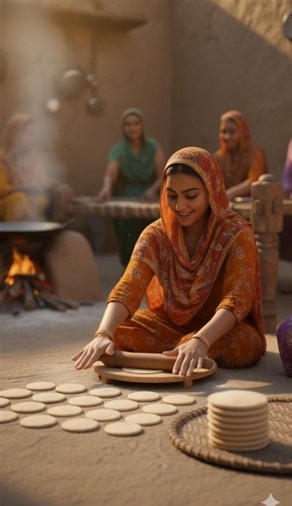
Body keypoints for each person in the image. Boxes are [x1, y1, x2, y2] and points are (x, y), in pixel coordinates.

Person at [73, 146, 266, 376]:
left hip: (220, 331)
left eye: (191, 196)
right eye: (172, 196)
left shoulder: (236, 232)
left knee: (245, 343)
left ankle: (186, 350)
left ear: (211, 191)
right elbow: (129, 285)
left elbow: (237, 299)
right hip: (170, 326)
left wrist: (202, 340)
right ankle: (182, 352)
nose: (180, 206)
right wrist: (103, 334)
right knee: (116, 330)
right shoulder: (156, 234)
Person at [97, 107, 165, 267]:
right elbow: (111, 172)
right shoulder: (119, 150)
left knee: (154, 230)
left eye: (136, 123)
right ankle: (129, 269)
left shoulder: (152, 146)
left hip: (149, 195)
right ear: (123, 127)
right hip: (128, 194)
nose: (132, 128)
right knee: (127, 226)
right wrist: (106, 188)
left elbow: (163, 174)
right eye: (128, 124)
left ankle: (152, 271)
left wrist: (152, 190)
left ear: (142, 126)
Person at [0, 113, 51, 221]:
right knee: (18, 199)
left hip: (30, 208)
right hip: (5, 204)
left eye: (32, 134)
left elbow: (44, 184)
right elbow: (1, 189)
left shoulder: (33, 159)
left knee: (42, 199)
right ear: (14, 133)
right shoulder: (2, 157)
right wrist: (23, 189)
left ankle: (34, 231)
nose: (31, 138)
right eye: (27, 133)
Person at [214, 110, 267, 201]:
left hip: (252, 206)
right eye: (223, 132)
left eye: (232, 132)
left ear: (242, 132)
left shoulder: (255, 153)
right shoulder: (218, 157)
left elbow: (253, 181)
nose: (227, 137)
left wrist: (229, 194)